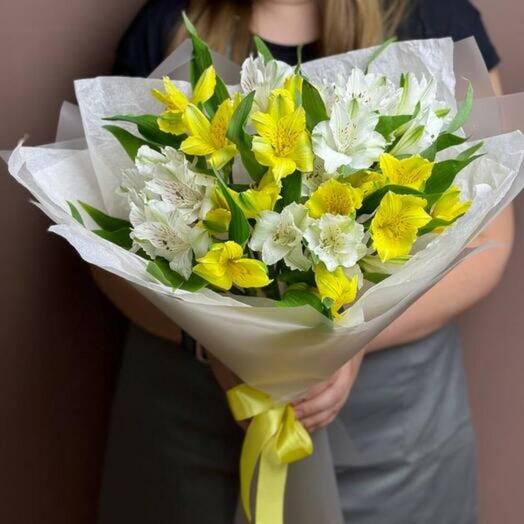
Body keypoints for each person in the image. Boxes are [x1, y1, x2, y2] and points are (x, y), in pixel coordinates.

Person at [95, 1, 513, 523]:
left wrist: (350, 340)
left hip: (393, 430)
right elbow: (111, 256)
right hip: (199, 421)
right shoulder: (168, 23)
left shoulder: (433, 16)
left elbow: (490, 240)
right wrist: (212, 344)